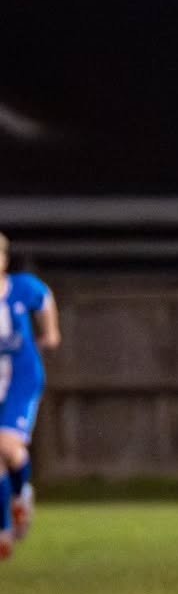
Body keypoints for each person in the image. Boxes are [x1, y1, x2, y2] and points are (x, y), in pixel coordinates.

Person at [0, 232, 61, 559]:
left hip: (22, 378)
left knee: (7, 445)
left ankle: (22, 494)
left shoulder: (22, 288)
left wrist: (50, 332)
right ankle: (4, 531)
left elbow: (46, 298)